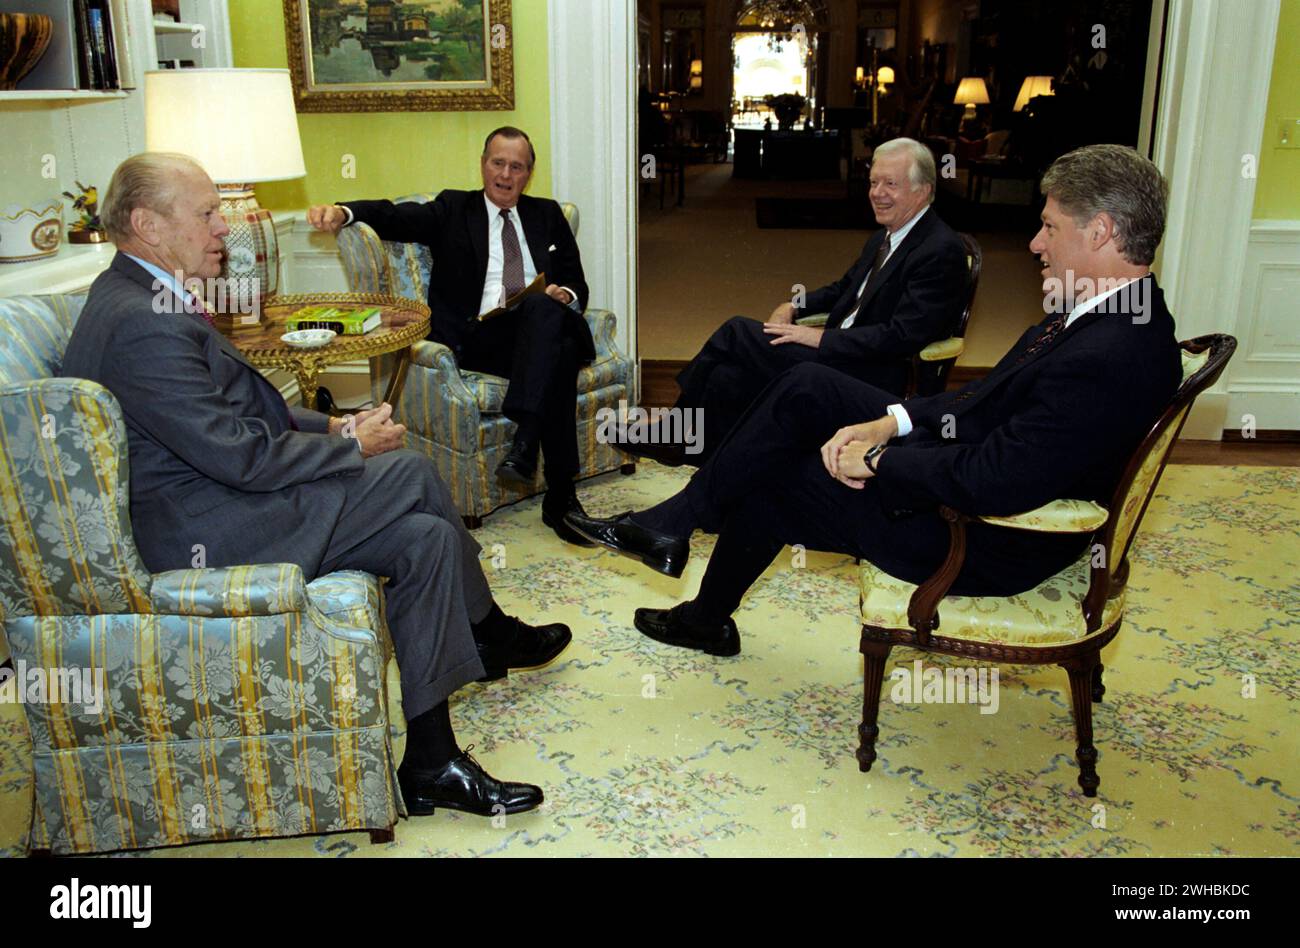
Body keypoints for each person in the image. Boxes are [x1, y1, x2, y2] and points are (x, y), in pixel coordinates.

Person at [61, 152, 572, 817]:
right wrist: (352, 446)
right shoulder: (142, 323)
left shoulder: (141, 297)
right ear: (146, 224)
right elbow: (238, 455)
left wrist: (334, 426)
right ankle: (490, 629)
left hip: (215, 496)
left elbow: (243, 416)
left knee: (424, 540)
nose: (223, 229)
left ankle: (430, 761)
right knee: (412, 471)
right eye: (208, 213)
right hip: (202, 529)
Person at [566, 143, 1182, 655]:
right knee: (801, 388)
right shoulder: (1103, 318)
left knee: (778, 467)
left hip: (987, 538)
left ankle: (686, 559)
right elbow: (980, 404)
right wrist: (892, 421)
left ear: (1101, 232)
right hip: (973, 484)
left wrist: (880, 461)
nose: (1034, 244)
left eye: (1049, 226)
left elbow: (999, 480)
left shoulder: (1109, 355)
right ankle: (678, 527)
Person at [308, 127, 595, 546]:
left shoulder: (547, 214)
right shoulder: (453, 208)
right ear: (483, 165)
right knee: (560, 345)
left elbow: (577, 286)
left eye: (516, 166)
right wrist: (343, 211)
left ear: (528, 174)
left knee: (548, 319)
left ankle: (528, 448)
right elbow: (393, 215)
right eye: (498, 162)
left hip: (539, 334)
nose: (505, 173)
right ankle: (561, 495)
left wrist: (561, 294)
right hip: (482, 339)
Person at [631, 137, 969, 466]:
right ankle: (699, 456)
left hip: (871, 372)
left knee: (735, 331)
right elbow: (843, 289)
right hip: (840, 353)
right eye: (873, 182)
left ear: (922, 190)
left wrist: (819, 337)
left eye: (890, 184)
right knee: (725, 376)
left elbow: (902, 336)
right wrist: (794, 305)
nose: (877, 193)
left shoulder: (940, 250)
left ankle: (672, 429)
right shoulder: (885, 236)